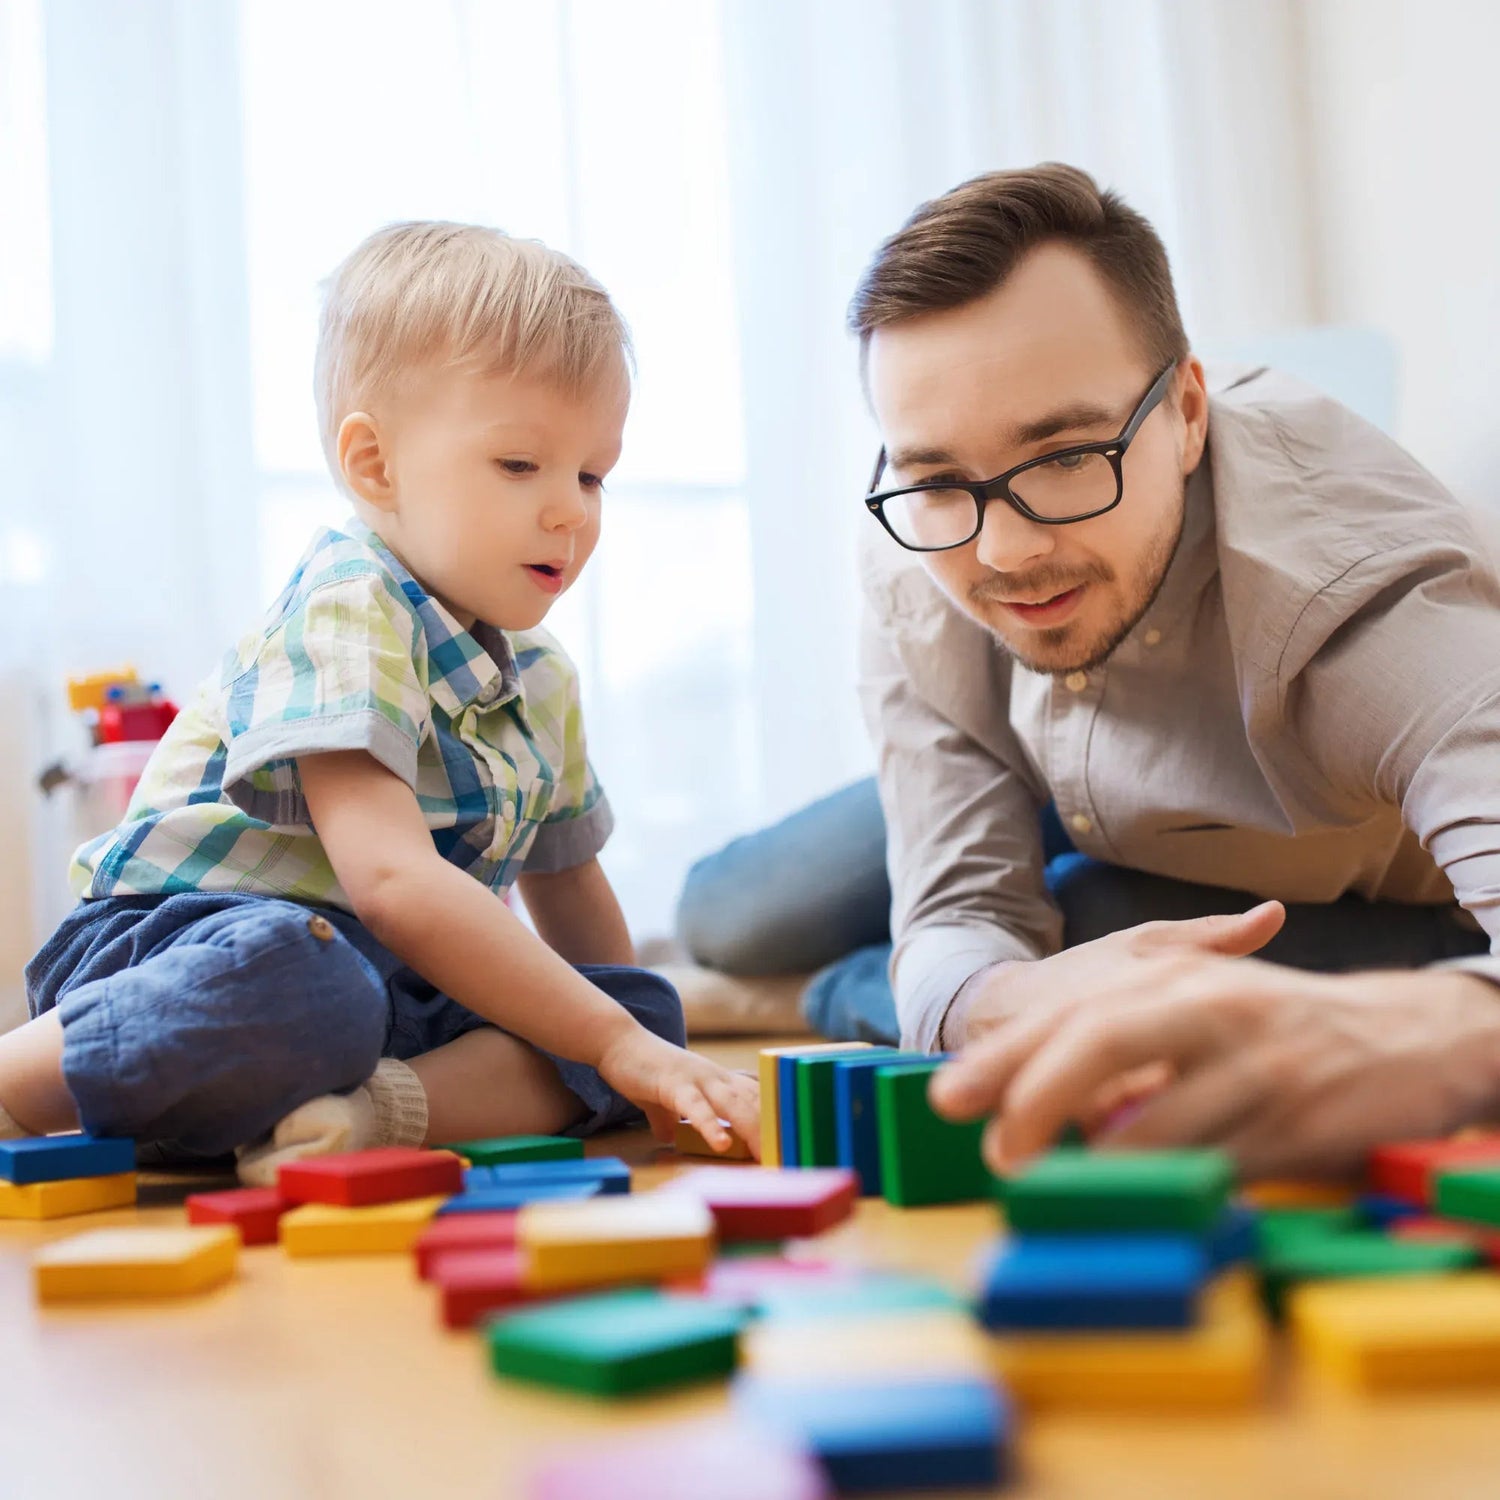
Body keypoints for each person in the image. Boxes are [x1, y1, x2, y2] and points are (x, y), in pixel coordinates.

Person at [679, 164, 1500, 1178]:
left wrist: (1450, 1028)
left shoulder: (1365, 601)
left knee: (1108, 929)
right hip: (1046, 775)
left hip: (1322, 867)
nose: (1006, 554)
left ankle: (857, 984)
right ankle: (884, 972)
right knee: (735, 916)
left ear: (1188, 414)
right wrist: (992, 996)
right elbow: (960, 908)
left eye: (1066, 456)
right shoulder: (914, 537)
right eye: (936, 478)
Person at [3, 221, 759, 1179]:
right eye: (521, 465)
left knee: (640, 1002)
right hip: (189, 952)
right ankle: (20, 1081)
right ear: (376, 467)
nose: (571, 507)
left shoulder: (544, 676)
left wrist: (639, 1044)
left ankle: (354, 1119)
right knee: (311, 982)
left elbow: (571, 899)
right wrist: (608, 1045)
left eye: (592, 472)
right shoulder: (346, 608)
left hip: (383, 988)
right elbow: (392, 886)